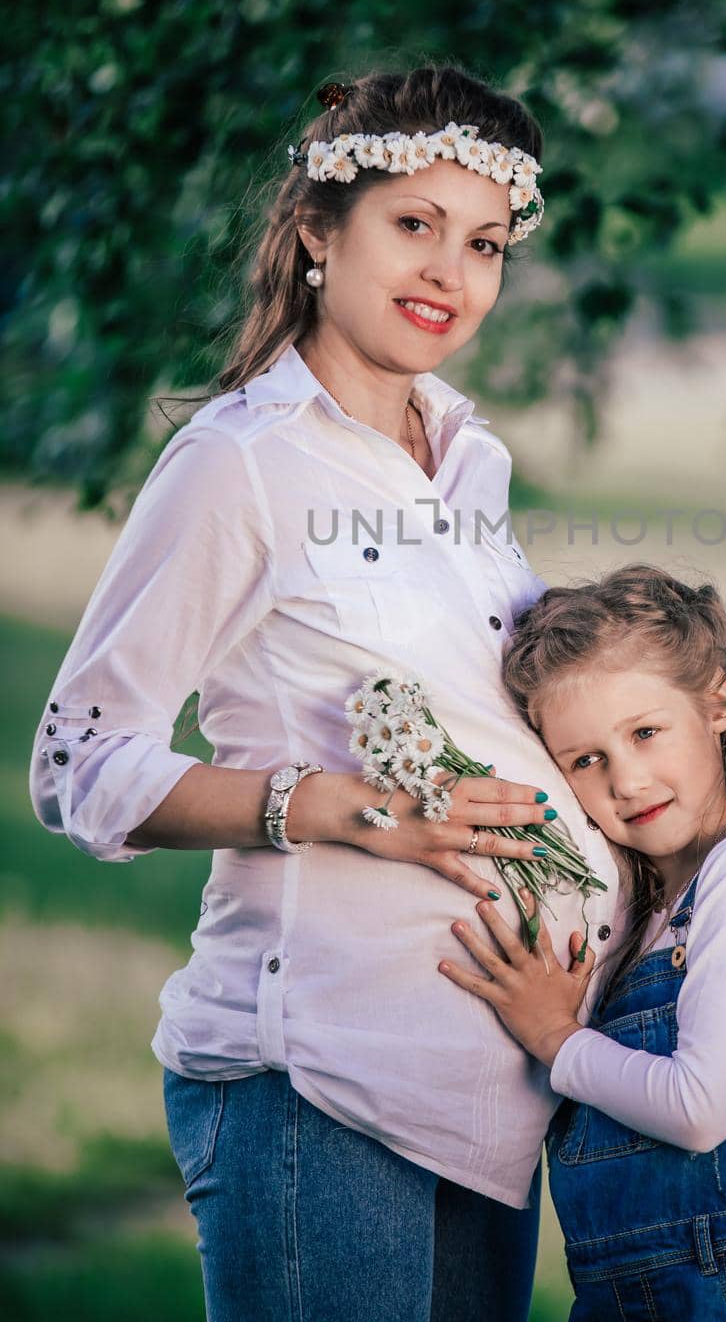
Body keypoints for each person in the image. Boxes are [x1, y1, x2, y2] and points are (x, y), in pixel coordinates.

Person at [28, 65, 625, 1322]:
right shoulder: (239, 462)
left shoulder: (468, 456)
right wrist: (340, 808)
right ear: (315, 229)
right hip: (320, 1082)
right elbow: (78, 756)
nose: (448, 276)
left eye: (484, 243)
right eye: (412, 225)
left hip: (489, 1084)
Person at [439, 562, 726, 1322]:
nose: (627, 781)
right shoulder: (641, 912)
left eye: (645, 733)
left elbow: (699, 1110)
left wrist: (553, 1036)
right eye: (586, 761)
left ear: (717, 705)